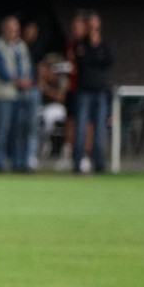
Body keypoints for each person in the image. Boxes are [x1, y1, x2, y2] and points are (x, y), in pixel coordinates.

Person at [0, 15, 32, 173]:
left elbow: (27, 66)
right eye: (10, 29)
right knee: (2, 130)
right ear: (4, 30)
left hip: (19, 95)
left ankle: (18, 163)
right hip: (4, 94)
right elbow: (3, 72)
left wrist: (27, 80)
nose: (14, 32)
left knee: (18, 130)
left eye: (16, 29)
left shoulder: (22, 47)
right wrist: (20, 81)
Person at [72, 12, 113, 173]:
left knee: (99, 130)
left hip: (100, 92)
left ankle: (99, 162)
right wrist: (93, 49)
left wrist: (97, 46)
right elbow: (83, 63)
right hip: (84, 92)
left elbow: (108, 61)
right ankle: (77, 162)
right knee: (81, 128)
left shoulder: (105, 44)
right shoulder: (80, 45)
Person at [56, 12, 87, 171]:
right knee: (70, 121)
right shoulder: (70, 43)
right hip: (72, 89)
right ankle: (67, 154)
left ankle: (84, 156)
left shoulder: (88, 44)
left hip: (85, 90)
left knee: (85, 123)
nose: (74, 30)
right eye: (72, 27)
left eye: (77, 27)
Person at [20, 20, 44, 169]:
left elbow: (41, 68)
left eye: (34, 31)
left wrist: (38, 85)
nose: (31, 34)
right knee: (20, 125)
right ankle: (18, 157)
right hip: (19, 91)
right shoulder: (19, 47)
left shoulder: (37, 48)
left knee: (32, 125)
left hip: (33, 90)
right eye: (29, 30)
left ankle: (30, 158)